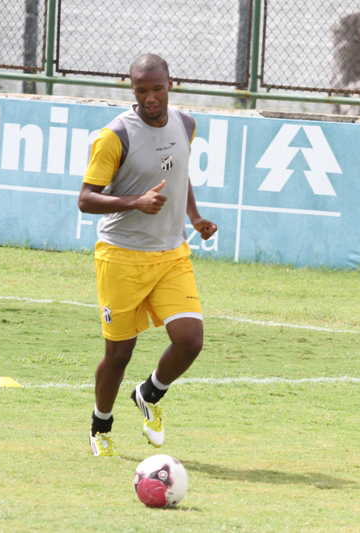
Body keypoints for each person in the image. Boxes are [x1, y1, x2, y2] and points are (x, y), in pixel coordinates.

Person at [78, 54, 218, 457]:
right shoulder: (115, 136)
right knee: (119, 354)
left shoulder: (186, 124)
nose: (150, 97)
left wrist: (194, 217)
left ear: (171, 84)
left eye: (157, 88)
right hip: (121, 256)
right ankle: (101, 426)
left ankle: (149, 393)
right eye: (142, 90)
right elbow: (86, 199)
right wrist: (135, 201)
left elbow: (177, 172)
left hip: (171, 254)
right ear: (132, 88)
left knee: (190, 340)